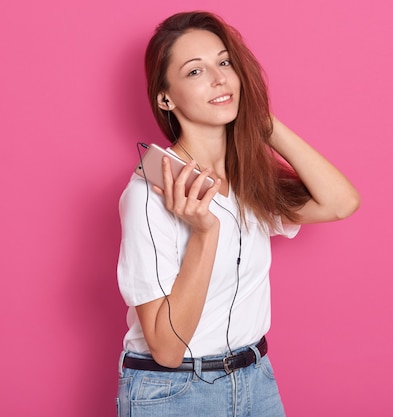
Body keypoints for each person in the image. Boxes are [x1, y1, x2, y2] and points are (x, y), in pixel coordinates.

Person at [115, 10, 360, 417]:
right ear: (165, 97)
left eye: (224, 62)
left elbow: (340, 202)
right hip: (174, 393)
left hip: (254, 378)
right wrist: (204, 233)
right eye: (195, 71)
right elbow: (167, 348)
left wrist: (262, 123)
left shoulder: (251, 182)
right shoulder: (147, 196)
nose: (219, 78)